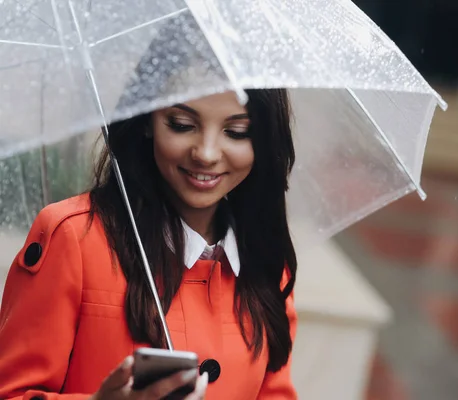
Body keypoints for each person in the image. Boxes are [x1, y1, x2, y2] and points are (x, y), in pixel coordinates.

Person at [0, 85, 298, 399]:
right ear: (146, 120)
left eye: (237, 132)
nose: (206, 154)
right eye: (182, 125)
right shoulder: (75, 237)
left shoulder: (268, 264)